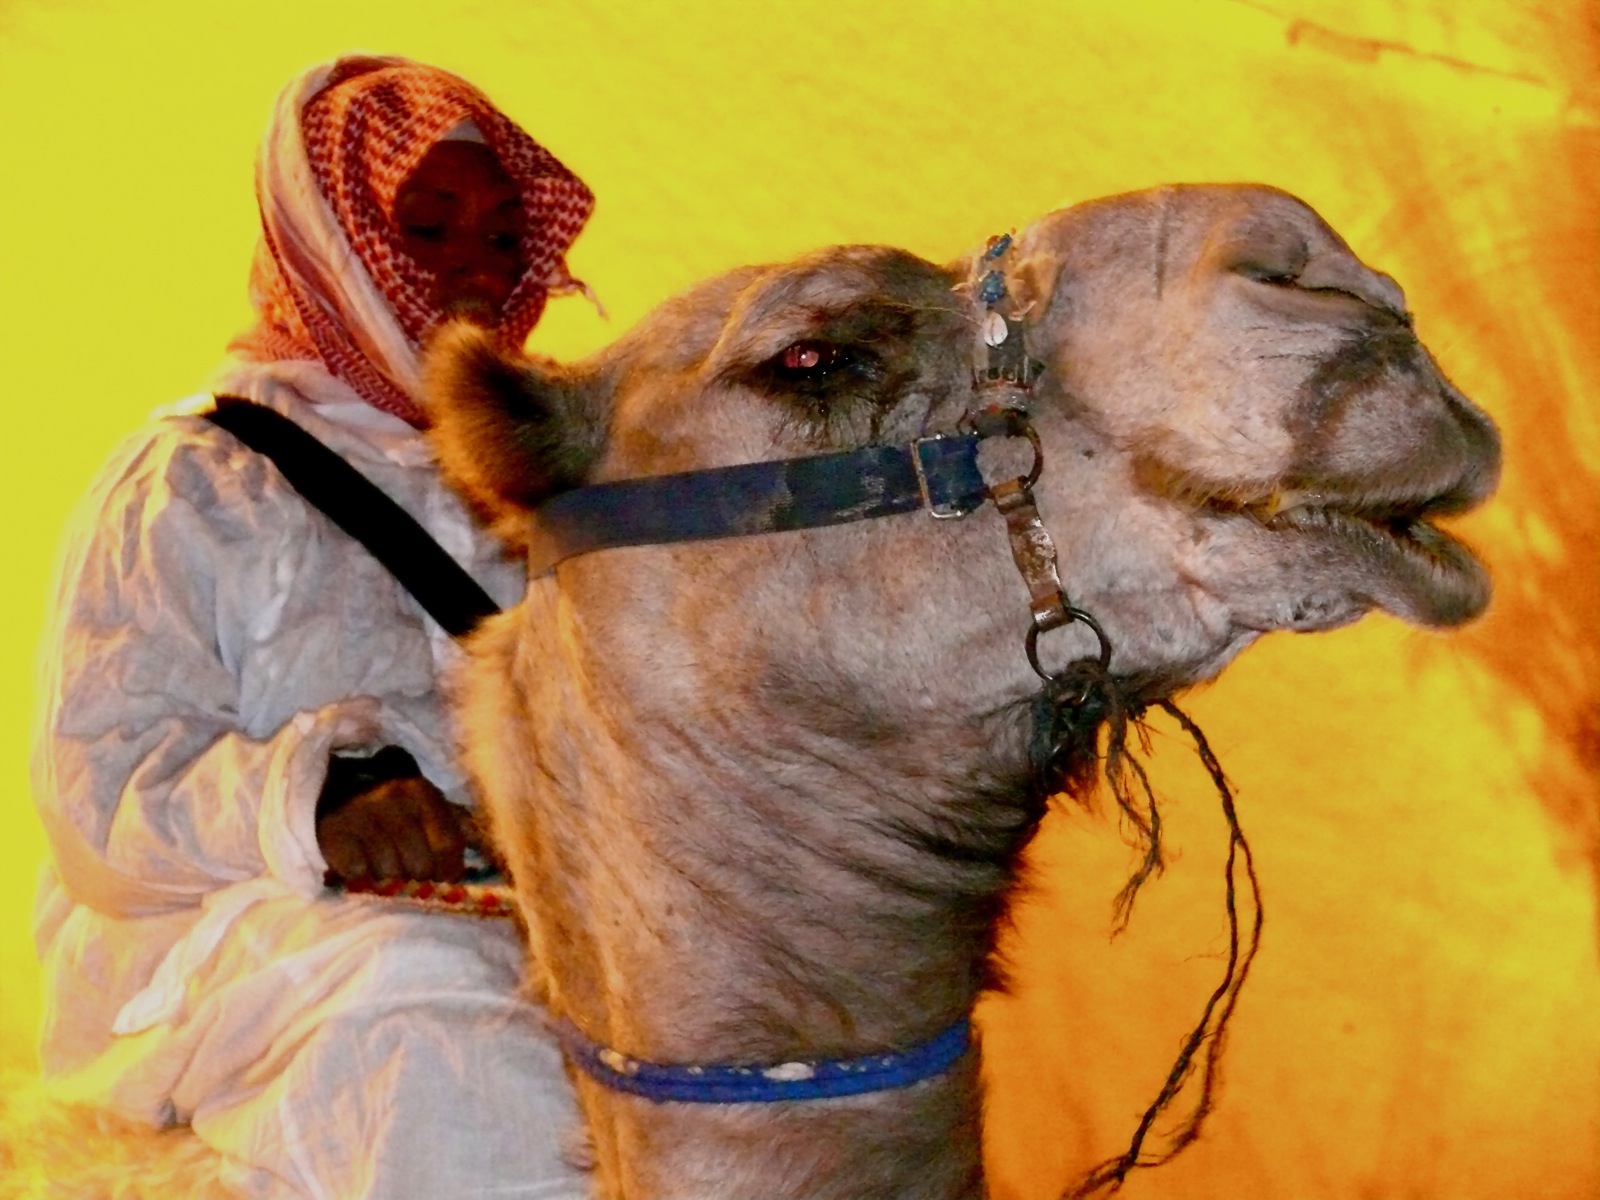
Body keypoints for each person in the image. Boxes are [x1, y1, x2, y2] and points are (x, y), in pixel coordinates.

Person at [31, 55, 595, 1198]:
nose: (474, 278)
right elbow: (101, 789)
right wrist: (316, 802)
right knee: (435, 1028)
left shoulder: (563, 482)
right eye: (426, 232)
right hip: (241, 940)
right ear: (328, 246)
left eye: (498, 239)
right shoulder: (189, 483)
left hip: (528, 922)